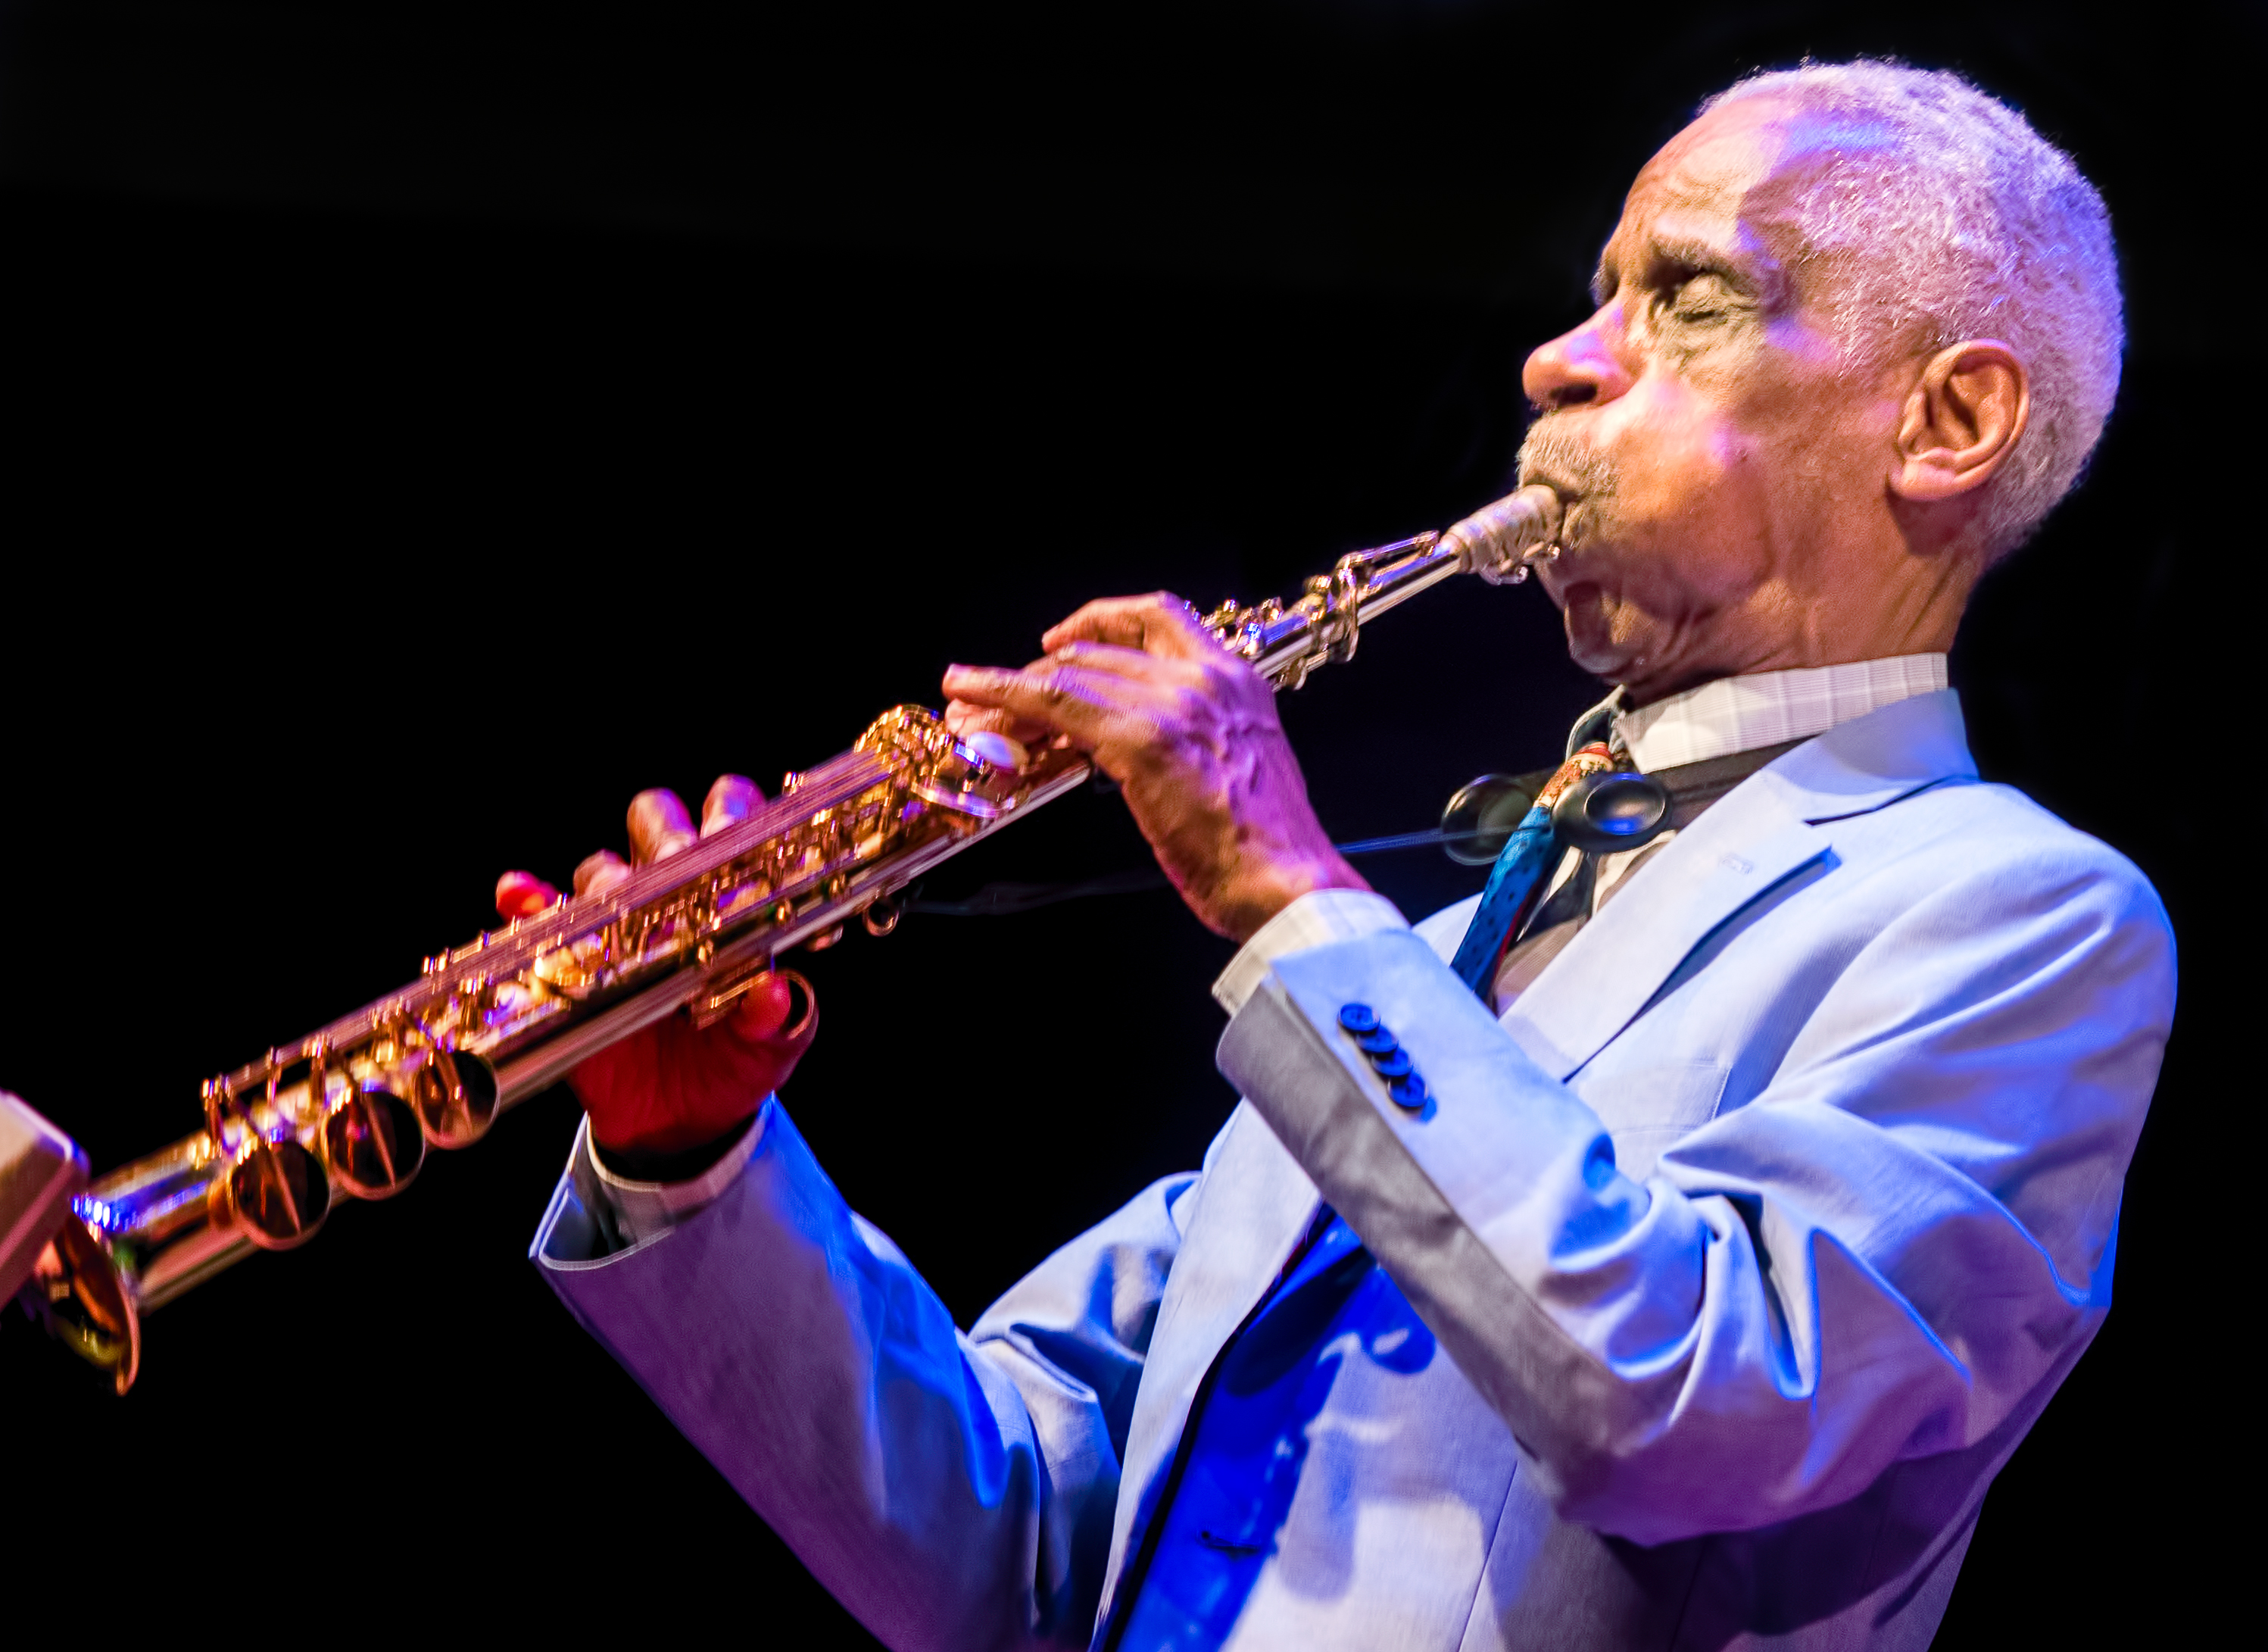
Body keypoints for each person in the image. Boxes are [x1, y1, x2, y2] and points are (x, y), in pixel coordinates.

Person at [506, 61, 2170, 1650]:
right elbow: (1009, 1552)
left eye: (1686, 298)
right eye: (1595, 294)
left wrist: (1275, 883)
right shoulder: (1424, 957)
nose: (1556, 360)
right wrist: (695, 1158)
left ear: (1946, 419)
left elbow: (1692, 1403)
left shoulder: (2017, 916)